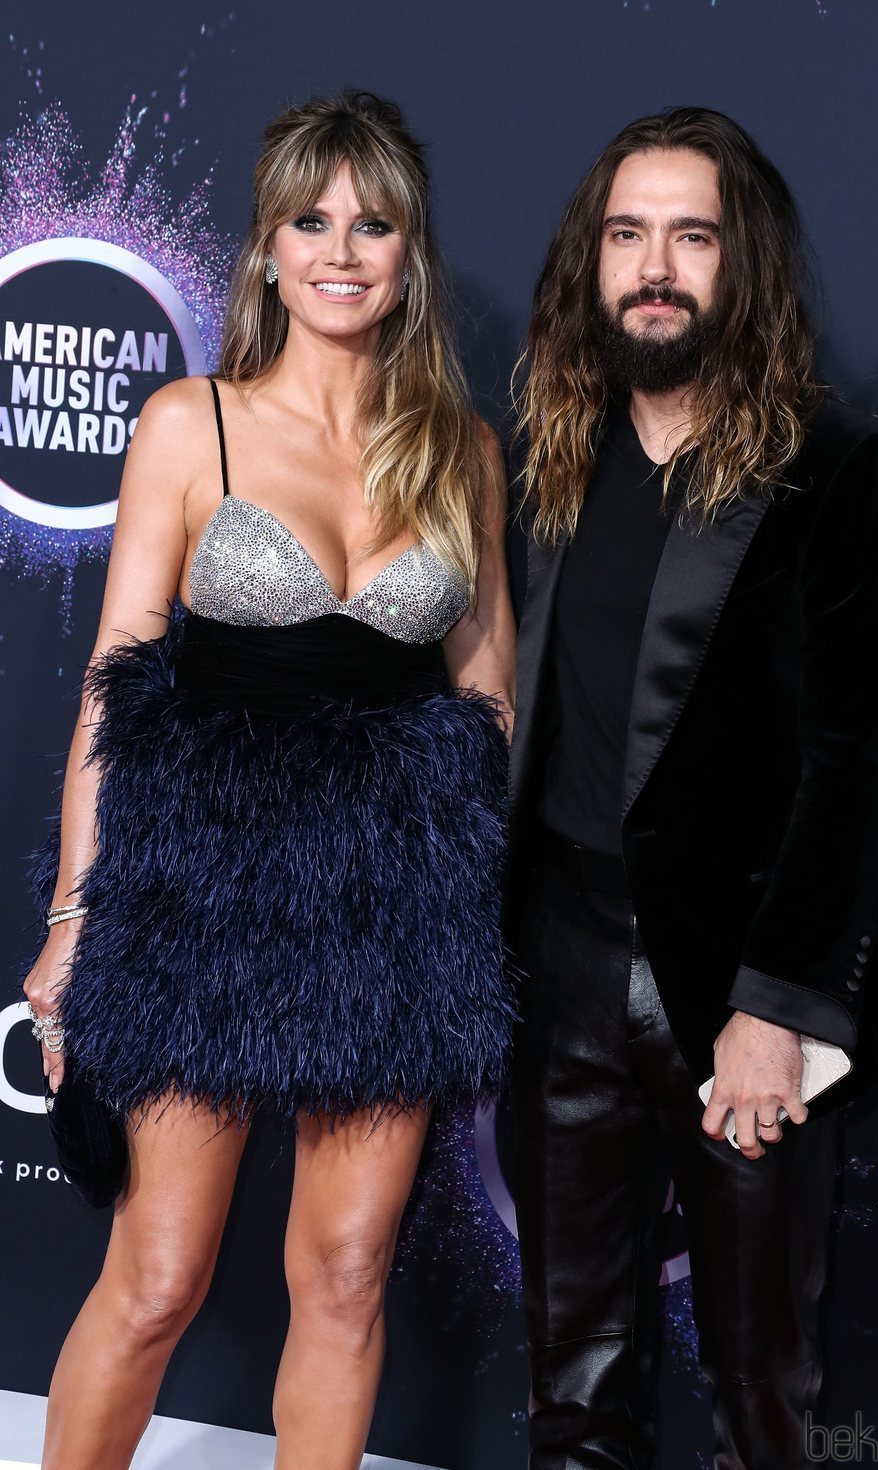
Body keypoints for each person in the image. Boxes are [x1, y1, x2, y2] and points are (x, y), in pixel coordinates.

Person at [22, 91, 515, 1470]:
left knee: (348, 1272)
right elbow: (113, 687)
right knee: (161, 1271)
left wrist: (472, 900)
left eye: (374, 222)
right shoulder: (193, 424)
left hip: (393, 900)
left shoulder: (461, 451)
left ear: (411, 249)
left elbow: (489, 697)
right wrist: (73, 917)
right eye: (312, 219)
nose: (342, 249)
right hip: (201, 887)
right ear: (267, 248)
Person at [508, 107, 878, 1469]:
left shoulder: (846, 470)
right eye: (627, 234)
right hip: (561, 969)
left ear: (742, 262)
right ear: (592, 260)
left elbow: (865, 768)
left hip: (736, 994)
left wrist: (779, 1007)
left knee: (765, 1393)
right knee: (573, 1376)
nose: (655, 266)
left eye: (692, 236)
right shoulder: (554, 460)